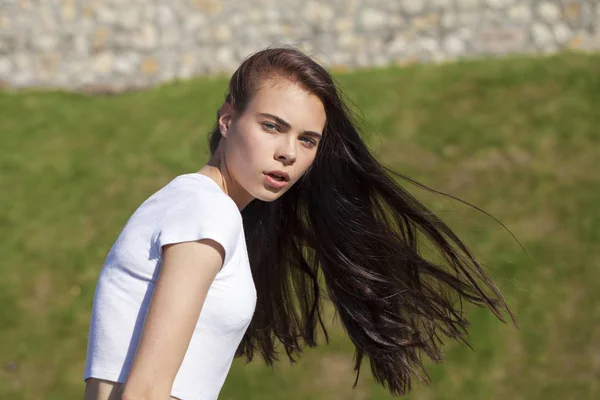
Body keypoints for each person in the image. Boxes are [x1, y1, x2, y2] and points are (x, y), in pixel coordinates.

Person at [83, 47, 517, 400]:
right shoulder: (206, 211)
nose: (289, 152)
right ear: (228, 118)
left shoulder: (191, 204)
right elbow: (144, 392)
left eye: (306, 140)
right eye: (273, 126)